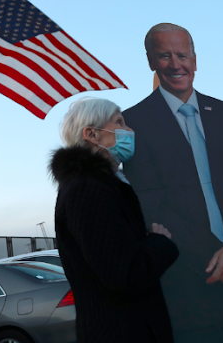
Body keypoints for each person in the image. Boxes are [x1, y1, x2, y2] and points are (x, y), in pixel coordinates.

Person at [123, 23, 223, 343]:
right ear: (151, 61)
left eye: (183, 55)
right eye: (165, 56)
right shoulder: (133, 122)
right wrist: (218, 258)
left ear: (195, 60)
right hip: (189, 289)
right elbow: (151, 202)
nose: (176, 64)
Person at [51, 97, 179, 343]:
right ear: (92, 134)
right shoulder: (88, 189)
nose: (129, 130)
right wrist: (159, 242)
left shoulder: (100, 185)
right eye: (119, 122)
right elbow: (124, 276)